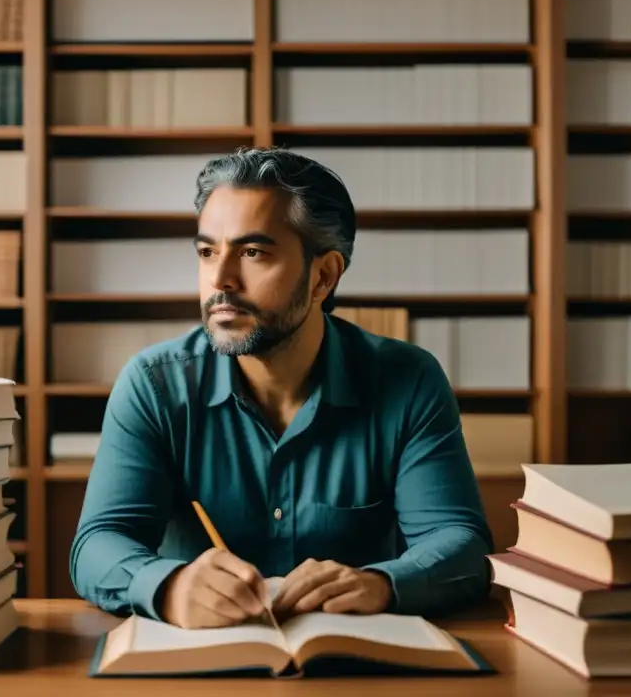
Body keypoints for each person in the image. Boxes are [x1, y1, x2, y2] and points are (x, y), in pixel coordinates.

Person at [69, 147, 494, 629]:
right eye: (208, 252)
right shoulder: (154, 385)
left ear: (323, 276)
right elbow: (97, 545)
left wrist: (382, 583)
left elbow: (461, 544)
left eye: (253, 253)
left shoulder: (408, 381)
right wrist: (168, 586)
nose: (221, 280)